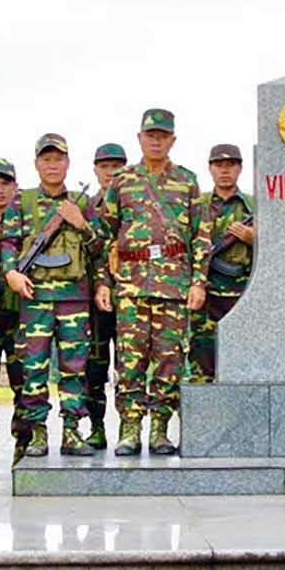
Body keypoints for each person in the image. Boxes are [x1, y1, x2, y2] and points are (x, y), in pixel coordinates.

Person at [95, 109, 210, 456]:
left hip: (173, 286)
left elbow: (201, 236)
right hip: (131, 286)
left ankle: (160, 428)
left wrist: (198, 282)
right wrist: (103, 282)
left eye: (163, 136)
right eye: (150, 135)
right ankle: (129, 429)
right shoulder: (123, 181)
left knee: (169, 360)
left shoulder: (187, 181)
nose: (156, 141)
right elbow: (105, 236)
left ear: (172, 140)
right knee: (130, 361)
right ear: (140, 138)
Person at [0, 134, 102, 457]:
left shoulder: (82, 203)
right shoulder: (23, 201)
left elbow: (100, 249)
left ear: (68, 163)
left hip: (74, 298)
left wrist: (82, 225)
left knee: (75, 367)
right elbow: (8, 243)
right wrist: (11, 273)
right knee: (34, 367)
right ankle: (37, 433)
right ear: (36, 164)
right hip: (36, 298)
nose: (53, 165)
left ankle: (72, 430)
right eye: (46, 159)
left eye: (58, 159)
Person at [0, 158, 33, 458]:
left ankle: (23, 445)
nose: (0, 190)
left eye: (6, 184)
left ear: (15, 186)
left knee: (23, 381)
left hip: (20, 313)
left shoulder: (26, 219)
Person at [190, 143, 254, 384]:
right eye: (219, 165)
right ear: (210, 168)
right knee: (202, 360)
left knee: (242, 361)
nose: (225, 170)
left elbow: (277, 246)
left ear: (240, 168)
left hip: (241, 293)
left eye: (231, 165)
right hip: (205, 294)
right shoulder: (198, 204)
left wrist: (254, 239)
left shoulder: (253, 206)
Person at [83, 143, 127, 450]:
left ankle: (128, 428)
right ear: (96, 170)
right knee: (95, 367)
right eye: (105, 166)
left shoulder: (135, 202)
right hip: (94, 300)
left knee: (129, 367)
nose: (111, 172)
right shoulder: (86, 207)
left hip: (130, 298)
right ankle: (96, 427)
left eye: (116, 166)